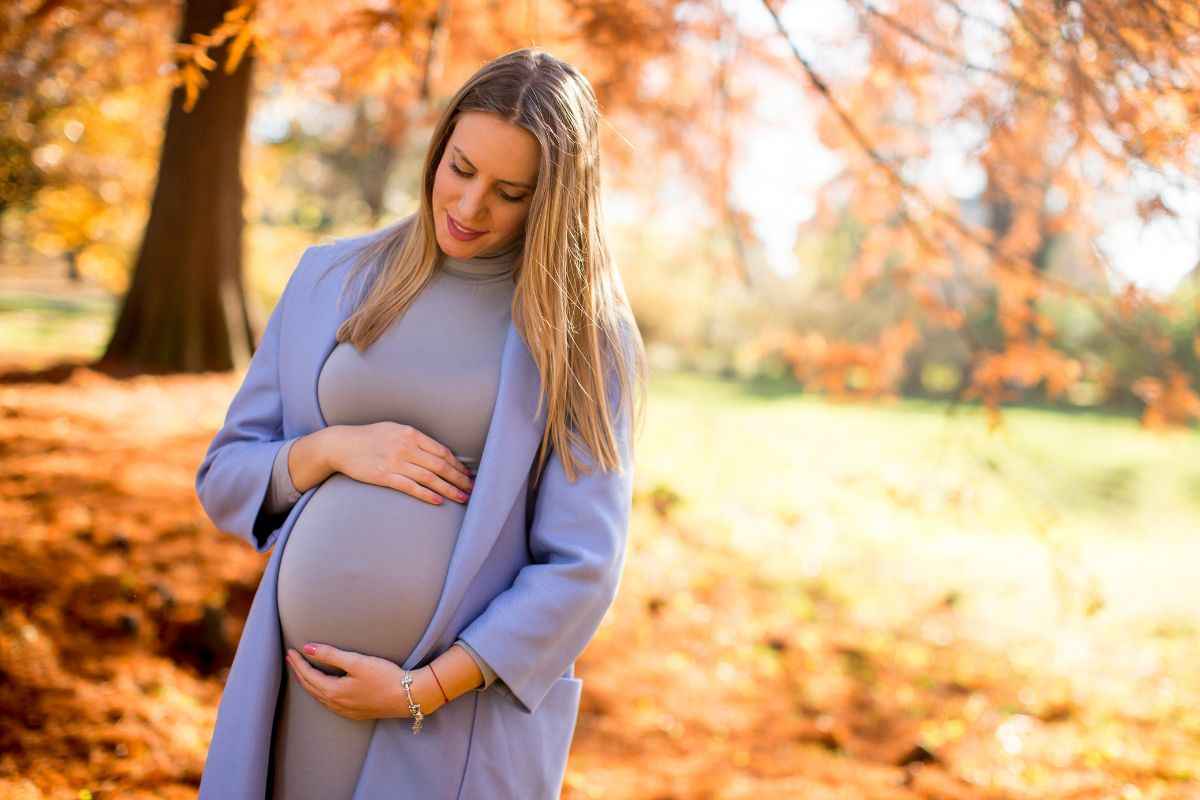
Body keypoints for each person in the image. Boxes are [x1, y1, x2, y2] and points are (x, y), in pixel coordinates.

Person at [193, 47, 647, 799]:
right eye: (460, 169)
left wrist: (421, 690)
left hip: (449, 723)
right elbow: (226, 474)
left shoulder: (583, 339)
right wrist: (332, 449)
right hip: (293, 697)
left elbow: (582, 566)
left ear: (556, 199)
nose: (470, 209)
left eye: (510, 192)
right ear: (437, 148)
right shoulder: (327, 280)